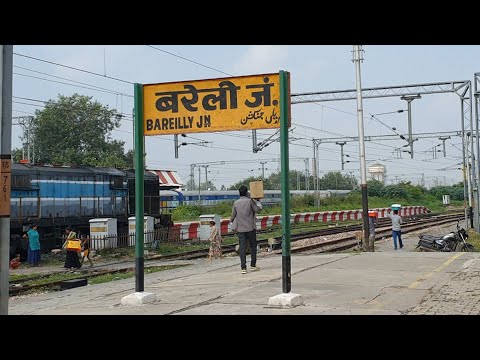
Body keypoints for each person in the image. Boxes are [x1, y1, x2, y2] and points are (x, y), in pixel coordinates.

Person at [230, 185, 262, 274]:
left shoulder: (236, 203)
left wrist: (232, 222)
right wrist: (258, 201)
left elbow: (232, 216)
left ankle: (243, 268)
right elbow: (257, 210)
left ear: (239, 193)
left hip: (240, 229)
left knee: (242, 248)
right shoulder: (250, 202)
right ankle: (253, 265)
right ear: (247, 192)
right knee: (253, 246)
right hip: (250, 228)